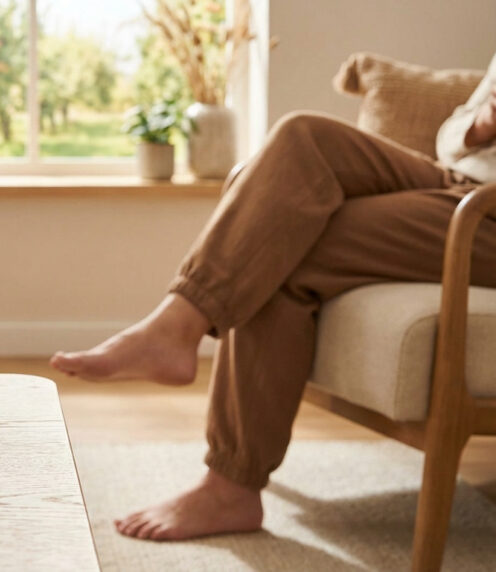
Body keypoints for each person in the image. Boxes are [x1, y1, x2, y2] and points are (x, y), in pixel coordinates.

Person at [51, 52, 496, 541]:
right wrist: (481, 123)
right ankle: (175, 325)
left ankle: (229, 483)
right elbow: (452, 136)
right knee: (303, 136)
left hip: (487, 213)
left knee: (282, 238)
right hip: (453, 179)